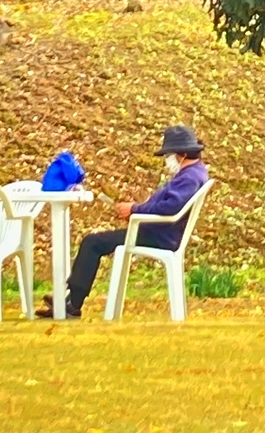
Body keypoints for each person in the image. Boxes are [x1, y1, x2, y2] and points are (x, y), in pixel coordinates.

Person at [42, 124, 209, 319]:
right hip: (158, 231)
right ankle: (71, 299)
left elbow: (171, 207)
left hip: (159, 236)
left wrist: (135, 210)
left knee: (92, 243)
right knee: (95, 242)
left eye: (169, 154)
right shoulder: (195, 173)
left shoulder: (189, 177)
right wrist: (136, 210)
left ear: (181, 154)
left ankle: (73, 302)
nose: (167, 159)